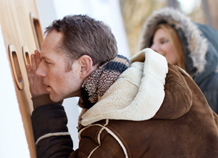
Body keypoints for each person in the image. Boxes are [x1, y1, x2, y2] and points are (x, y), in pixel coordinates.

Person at [28, 14, 218, 158]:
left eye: (48, 62)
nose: (39, 71)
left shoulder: (110, 135)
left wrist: (45, 106)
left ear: (84, 66)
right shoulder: (171, 76)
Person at [138, 7, 218, 113]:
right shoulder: (157, 92)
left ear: (184, 46)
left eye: (163, 41)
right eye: (152, 43)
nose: (153, 49)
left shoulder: (215, 85)